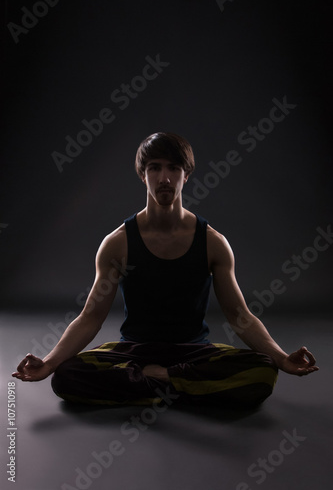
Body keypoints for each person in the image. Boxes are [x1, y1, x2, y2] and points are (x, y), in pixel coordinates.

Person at [12, 132, 319, 408]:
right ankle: (186, 389)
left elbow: (240, 317)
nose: (164, 177)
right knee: (66, 376)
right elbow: (91, 317)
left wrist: (281, 358)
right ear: (142, 175)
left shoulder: (213, 243)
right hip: (133, 353)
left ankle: (155, 382)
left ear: (186, 175)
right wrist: (49, 363)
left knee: (263, 372)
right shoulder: (117, 244)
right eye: (155, 168)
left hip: (194, 354)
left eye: (174, 168)